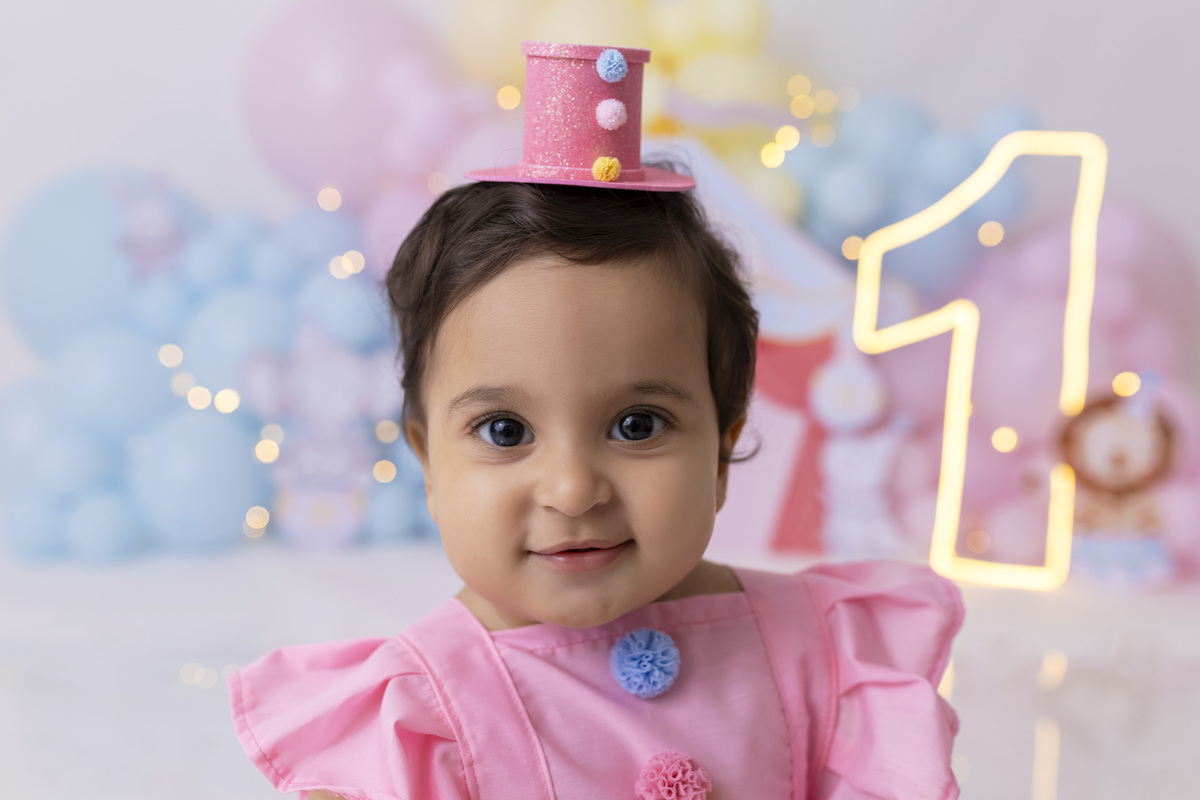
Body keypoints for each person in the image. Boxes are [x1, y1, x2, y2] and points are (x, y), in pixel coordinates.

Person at [229, 42, 963, 800]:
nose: (574, 490)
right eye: (506, 432)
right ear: (428, 463)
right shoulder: (417, 720)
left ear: (722, 445)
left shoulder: (822, 653)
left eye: (638, 425)